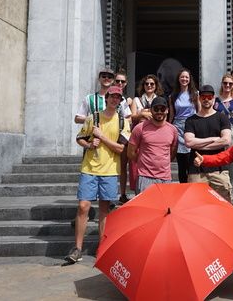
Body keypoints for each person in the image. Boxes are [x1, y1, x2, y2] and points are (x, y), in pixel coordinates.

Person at [66, 86, 130, 264]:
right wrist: (89, 145)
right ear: (107, 98)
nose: (114, 100)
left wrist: (101, 137)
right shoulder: (92, 118)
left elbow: (120, 148)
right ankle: (77, 248)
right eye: (112, 96)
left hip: (109, 170)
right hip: (90, 168)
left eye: (118, 97)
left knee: (104, 210)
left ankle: (102, 247)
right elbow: (80, 138)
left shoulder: (123, 122)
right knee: (83, 206)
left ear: (120, 101)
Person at [184, 84, 233, 200]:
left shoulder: (222, 118)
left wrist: (199, 145)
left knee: (223, 205)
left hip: (219, 170)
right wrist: (213, 139)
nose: (206, 99)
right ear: (199, 98)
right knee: (195, 206)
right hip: (196, 171)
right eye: (203, 97)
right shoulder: (191, 120)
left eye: (209, 97)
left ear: (214, 98)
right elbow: (189, 143)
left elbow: (226, 140)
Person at [127, 96, 177, 192]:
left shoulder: (173, 130)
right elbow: (130, 153)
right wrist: (144, 161)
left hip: (165, 178)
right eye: (156, 109)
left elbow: (172, 153)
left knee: (164, 207)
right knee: (143, 207)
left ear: (167, 110)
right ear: (150, 110)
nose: (159, 111)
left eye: (162, 109)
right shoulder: (139, 128)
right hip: (145, 177)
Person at [216, 74, 233, 201]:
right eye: (225, 83)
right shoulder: (215, 101)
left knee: (232, 162)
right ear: (221, 84)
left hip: (232, 131)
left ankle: (232, 194)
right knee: (219, 159)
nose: (227, 85)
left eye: (230, 83)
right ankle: (220, 190)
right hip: (218, 132)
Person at [168, 68, 199, 183]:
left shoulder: (196, 94)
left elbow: (199, 111)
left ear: (190, 79)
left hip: (192, 126)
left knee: (192, 160)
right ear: (178, 79)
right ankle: (182, 187)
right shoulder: (173, 96)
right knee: (181, 162)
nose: (184, 79)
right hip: (178, 127)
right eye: (182, 77)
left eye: (186, 77)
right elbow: (171, 115)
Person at [114, 69, 137, 204]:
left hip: (123, 137)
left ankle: (122, 194)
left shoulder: (125, 100)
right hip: (109, 137)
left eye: (123, 81)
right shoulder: (108, 97)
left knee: (123, 167)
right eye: (118, 81)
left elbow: (129, 119)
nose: (120, 83)